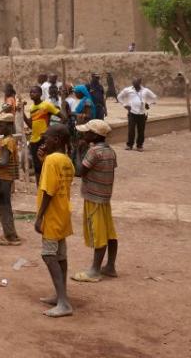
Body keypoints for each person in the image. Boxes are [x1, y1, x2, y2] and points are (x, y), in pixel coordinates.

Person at [34, 124, 76, 318]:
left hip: (51, 214)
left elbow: (48, 191)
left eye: (47, 139)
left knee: (48, 255)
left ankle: (63, 302)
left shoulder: (52, 160)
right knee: (60, 256)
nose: (44, 142)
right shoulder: (65, 160)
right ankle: (60, 295)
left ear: (56, 140)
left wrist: (39, 216)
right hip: (63, 213)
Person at [72, 119, 118, 282]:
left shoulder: (93, 152)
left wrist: (78, 151)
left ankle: (95, 271)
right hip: (105, 197)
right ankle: (110, 266)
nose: (83, 134)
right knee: (109, 232)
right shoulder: (110, 151)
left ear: (94, 135)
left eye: (86, 132)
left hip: (94, 197)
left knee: (98, 234)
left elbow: (79, 171)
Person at [23, 86, 63, 181]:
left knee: (45, 164)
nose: (32, 94)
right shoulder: (32, 108)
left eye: (35, 92)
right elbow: (31, 125)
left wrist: (53, 131)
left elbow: (63, 117)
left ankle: (47, 184)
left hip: (44, 139)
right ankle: (39, 187)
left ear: (40, 94)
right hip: (34, 140)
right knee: (37, 166)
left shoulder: (46, 105)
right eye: (31, 92)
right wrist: (22, 112)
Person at [117, 78, 157, 151]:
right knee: (131, 130)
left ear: (140, 83)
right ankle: (129, 145)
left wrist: (149, 104)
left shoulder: (145, 90)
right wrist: (125, 104)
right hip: (132, 113)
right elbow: (119, 97)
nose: (134, 85)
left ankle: (139, 146)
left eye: (136, 83)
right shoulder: (128, 90)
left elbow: (154, 97)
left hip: (142, 113)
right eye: (133, 83)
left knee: (141, 131)